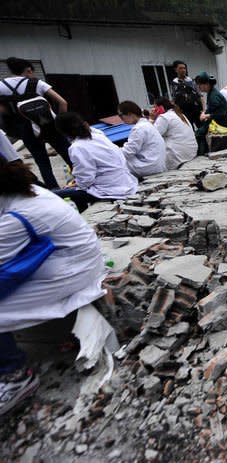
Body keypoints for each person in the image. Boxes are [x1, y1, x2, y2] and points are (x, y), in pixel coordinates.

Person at [0, 157, 107, 415]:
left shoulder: (17, 215)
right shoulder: (27, 190)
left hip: (73, 268)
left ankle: (15, 375)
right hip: (75, 257)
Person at [0, 57, 72, 189]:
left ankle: (56, 193)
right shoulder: (36, 83)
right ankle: (83, 186)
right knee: (70, 157)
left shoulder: (1, 86)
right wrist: (61, 122)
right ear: (28, 70)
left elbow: (3, 111)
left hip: (25, 130)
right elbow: (63, 102)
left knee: (43, 163)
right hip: (50, 125)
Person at [53, 112, 138, 212]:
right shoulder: (97, 135)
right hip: (125, 181)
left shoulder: (77, 147)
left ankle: (82, 215)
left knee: (57, 193)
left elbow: (86, 179)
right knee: (71, 188)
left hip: (111, 188)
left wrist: (76, 184)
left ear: (63, 132)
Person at [117, 101, 167, 178]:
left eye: (121, 116)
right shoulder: (147, 124)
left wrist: (114, 151)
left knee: (117, 162)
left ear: (130, 114)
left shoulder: (138, 128)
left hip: (150, 167)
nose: (121, 119)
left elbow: (128, 152)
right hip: (157, 164)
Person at [152, 97, 197, 170]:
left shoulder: (164, 117)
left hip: (178, 156)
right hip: (191, 152)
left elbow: (153, 136)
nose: (153, 110)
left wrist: (152, 119)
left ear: (161, 107)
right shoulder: (179, 114)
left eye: (155, 107)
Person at [194, 72, 227, 155]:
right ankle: (204, 152)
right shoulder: (211, 93)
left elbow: (221, 113)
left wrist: (206, 115)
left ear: (206, 84)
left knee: (199, 133)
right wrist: (204, 113)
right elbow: (212, 109)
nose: (199, 87)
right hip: (216, 123)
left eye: (200, 84)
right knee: (200, 131)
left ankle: (202, 153)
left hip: (221, 125)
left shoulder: (214, 96)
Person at [170, 60, 203, 131]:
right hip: (185, 112)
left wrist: (203, 110)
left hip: (196, 110)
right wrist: (177, 113)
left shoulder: (191, 81)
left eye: (184, 68)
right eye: (180, 68)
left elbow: (200, 95)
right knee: (190, 130)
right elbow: (173, 99)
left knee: (202, 129)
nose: (183, 70)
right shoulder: (174, 83)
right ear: (176, 70)